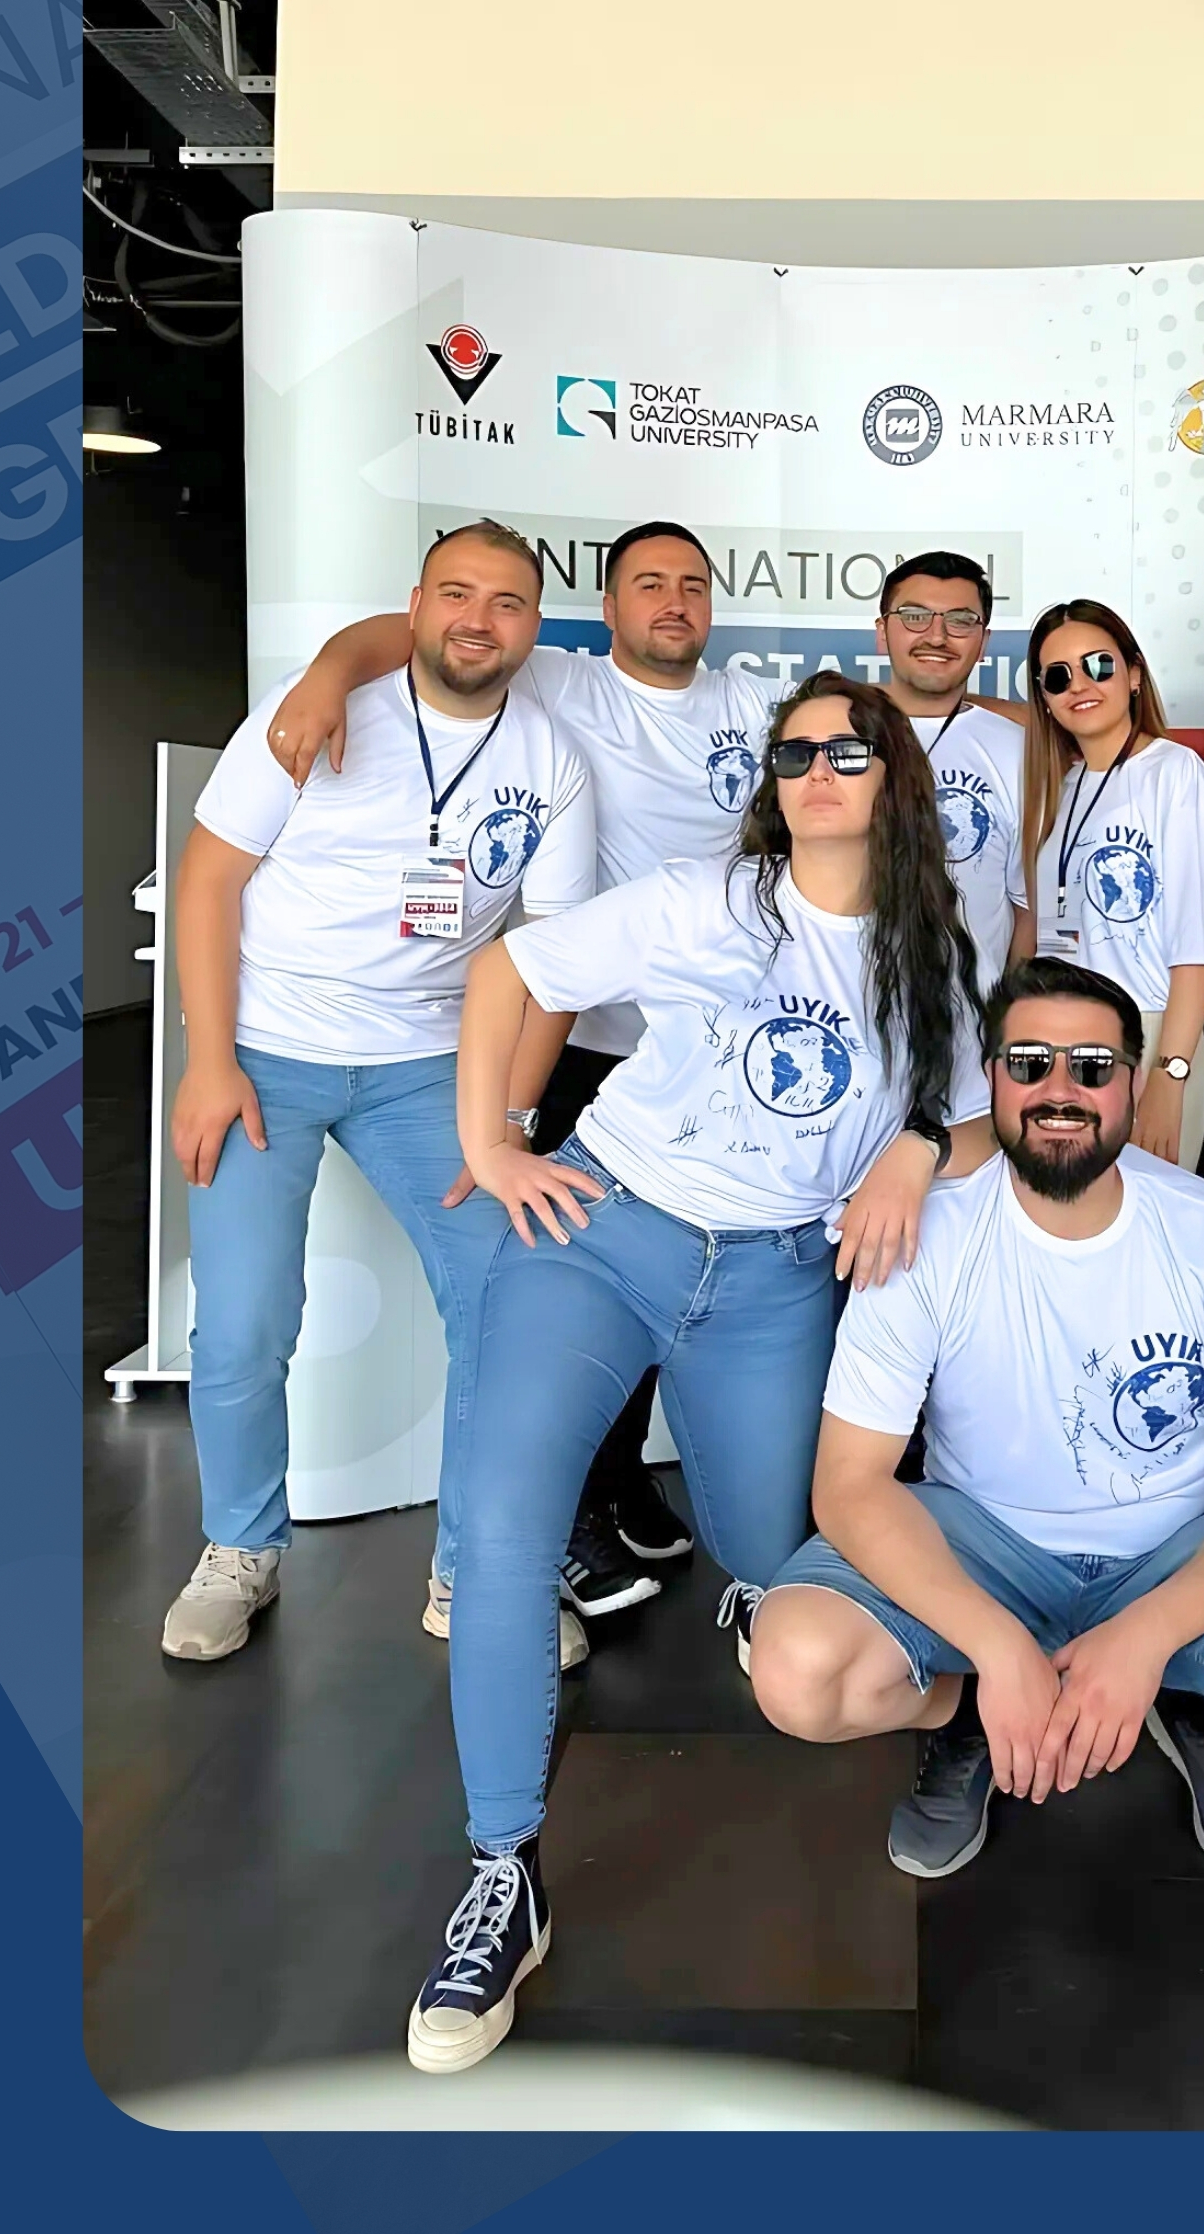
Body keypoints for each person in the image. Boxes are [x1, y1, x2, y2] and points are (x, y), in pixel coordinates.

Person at [405, 673, 994, 2075]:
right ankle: (502, 1872)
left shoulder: (932, 950)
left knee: (774, 1556)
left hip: (776, 1283)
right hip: (604, 1235)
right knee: (504, 1537)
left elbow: (968, 1121)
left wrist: (916, 1147)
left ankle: (837, 1633)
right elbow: (511, 971)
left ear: (894, 779)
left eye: (847, 750)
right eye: (792, 753)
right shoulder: (706, 901)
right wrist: (493, 1145)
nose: (816, 770)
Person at [750, 951, 1204, 1893]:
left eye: (1092, 1067)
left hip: (1181, 1545)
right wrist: (993, 1645)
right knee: (795, 1673)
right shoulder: (929, 1235)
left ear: (1131, 1086)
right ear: (993, 1081)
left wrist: (1147, 1636)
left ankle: (1187, 1695)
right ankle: (968, 1706)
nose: (1060, 1090)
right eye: (1030, 1064)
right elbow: (849, 1484)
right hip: (984, 1544)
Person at [270, 520, 774, 1626]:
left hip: (708, 1050)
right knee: (578, 1287)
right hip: (583, 1038)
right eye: (650, 583)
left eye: (693, 585)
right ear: (606, 606)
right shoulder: (560, 676)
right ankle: (571, 1520)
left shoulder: (752, 701)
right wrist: (325, 673)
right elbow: (402, 635)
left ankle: (619, 1480)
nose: (674, 601)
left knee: (669, 1279)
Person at [161, 521, 596, 1665]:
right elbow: (209, 879)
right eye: (456, 593)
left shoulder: (550, 759)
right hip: (265, 1051)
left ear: (533, 627)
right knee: (245, 1320)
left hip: (428, 1066)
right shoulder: (314, 711)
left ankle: (473, 1572)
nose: (477, 620)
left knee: (508, 1301)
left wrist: (508, 1122)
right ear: (414, 605)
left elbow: (553, 961)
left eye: (506, 602)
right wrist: (209, 1059)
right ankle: (240, 1547)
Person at [1012, 600, 1204, 1173]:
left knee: (1149, 1209)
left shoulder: (1173, 772)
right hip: (1060, 1037)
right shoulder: (1054, 788)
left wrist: (1170, 1073)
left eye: (1098, 665)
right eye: (1058, 677)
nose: (1079, 686)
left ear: (1134, 674)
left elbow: (1199, 941)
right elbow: (1031, 933)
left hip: (1151, 1032)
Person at [873, 550, 1028, 987]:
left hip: (975, 1016)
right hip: (844, 1009)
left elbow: (1027, 910)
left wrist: (1010, 1012)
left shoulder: (1018, 749)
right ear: (882, 632)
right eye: (915, 617)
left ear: (984, 642)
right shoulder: (830, 731)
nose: (937, 636)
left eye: (960, 621)